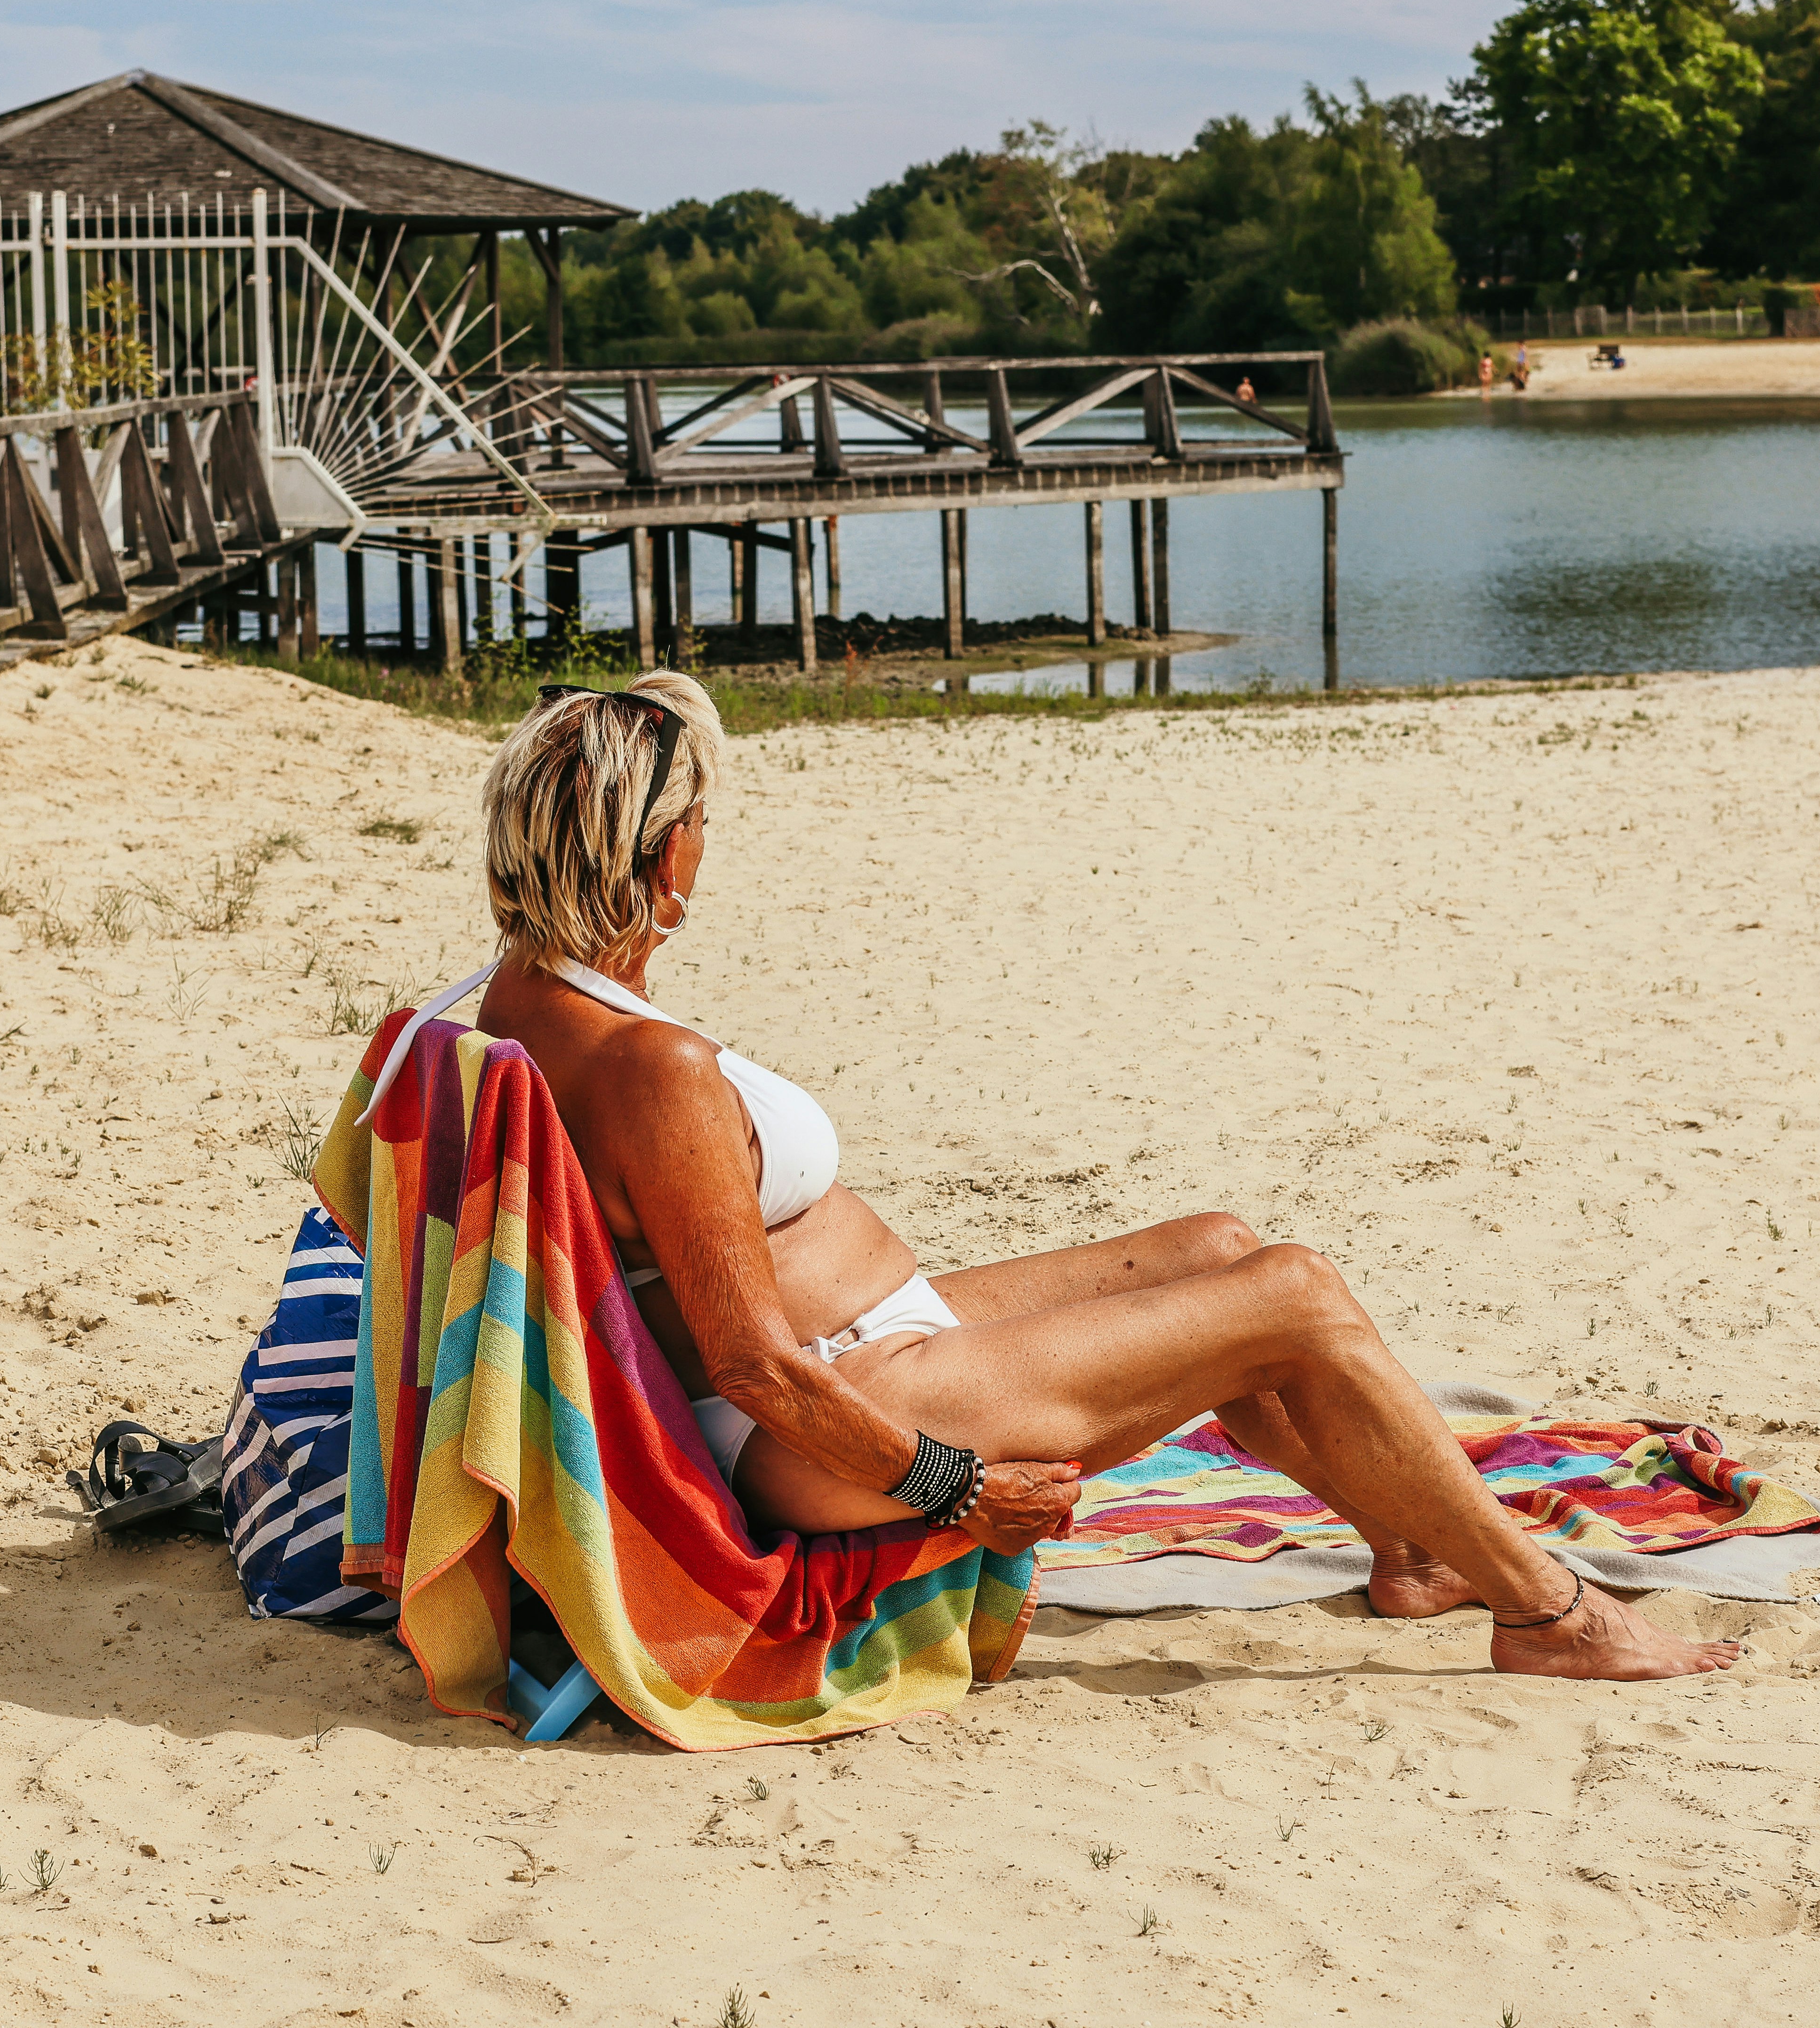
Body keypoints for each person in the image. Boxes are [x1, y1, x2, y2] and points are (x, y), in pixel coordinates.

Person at [385, 676, 1741, 1683]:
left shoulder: (480, 1015)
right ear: (661, 852)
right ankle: (1550, 1615)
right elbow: (754, 1366)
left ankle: (1417, 1549)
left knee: (1218, 1248)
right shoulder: (650, 1066)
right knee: (1294, 1296)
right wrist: (948, 1489)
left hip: (856, 1360)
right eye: (701, 822)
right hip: (825, 1415)